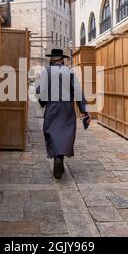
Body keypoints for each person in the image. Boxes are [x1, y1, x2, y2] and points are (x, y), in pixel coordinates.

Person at [35, 49, 91, 179]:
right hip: (67, 108)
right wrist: (84, 110)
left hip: (52, 106)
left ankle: (57, 156)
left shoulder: (46, 71)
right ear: (62, 60)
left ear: (52, 59)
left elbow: (39, 90)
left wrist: (43, 102)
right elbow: (77, 91)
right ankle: (60, 157)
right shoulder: (69, 72)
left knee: (52, 131)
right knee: (65, 132)